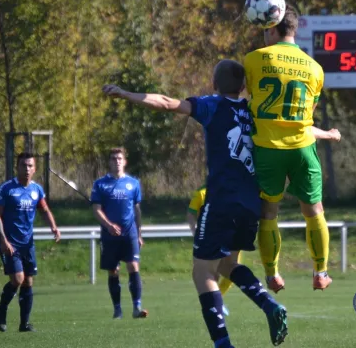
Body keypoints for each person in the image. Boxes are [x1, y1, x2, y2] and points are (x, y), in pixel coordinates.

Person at [102, 59, 288, 347]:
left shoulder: (212, 105)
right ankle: (269, 304)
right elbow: (295, 133)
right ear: (243, 87)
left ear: (215, 84)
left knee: (202, 272)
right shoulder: (255, 111)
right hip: (251, 203)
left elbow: (166, 102)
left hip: (222, 199)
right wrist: (327, 133)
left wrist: (126, 94)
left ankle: (223, 343)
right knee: (227, 263)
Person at [185, 127, 340, 314]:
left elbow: (169, 104)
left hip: (237, 194)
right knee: (315, 211)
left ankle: (269, 278)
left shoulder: (243, 113)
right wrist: (328, 134)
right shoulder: (263, 110)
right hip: (248, 197)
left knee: (211, 267)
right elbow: (299, 127)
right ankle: (319, 272)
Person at [243, 4, 336, 292]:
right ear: (294, 29)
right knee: (314, 210)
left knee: (268, 213)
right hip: (302, 148)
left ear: (271, 28)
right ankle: (320, 272)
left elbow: (246, 97)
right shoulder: (315, 68)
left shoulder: (253, 60)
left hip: (268, 148)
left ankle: (272, 275)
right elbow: (308, 114)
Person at [0, 152, 61, 333]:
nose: (27, 169)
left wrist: (53, 227)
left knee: (28, 281)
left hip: (27, 244)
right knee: (18, 279)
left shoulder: (36, 189)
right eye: (23, 165)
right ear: (17, 167)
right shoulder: (6, 189)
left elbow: (44, 210)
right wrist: (2, 239)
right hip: (10, 242)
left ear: (35, 168)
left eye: (30, 165)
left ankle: (24, 324)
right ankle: (2, 310)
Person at [90, 147, 148, 320]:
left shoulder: (133, 183)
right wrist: (108, 225)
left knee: (133, 266)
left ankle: (137, 307)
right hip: (109, 235)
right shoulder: (100, 184)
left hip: (129, 233)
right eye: (114, 159)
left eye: (119, 158)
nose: (117, 161)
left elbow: (137, 211)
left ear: (125, 161)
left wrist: (138, 234)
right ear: (109, 162)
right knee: (113, 270)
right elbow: (96, 210)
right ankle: (117, 310)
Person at [187, 184, 240, 317]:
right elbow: (191, 214)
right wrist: (196, 233)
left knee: (232, 271)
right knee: (211, 274)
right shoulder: (201, 193)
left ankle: (217, 301)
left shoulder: (231, 190)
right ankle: (215, 304)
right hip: (209, 241)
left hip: (228, 238)